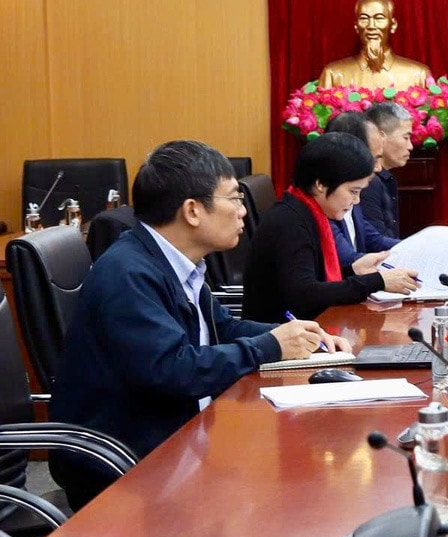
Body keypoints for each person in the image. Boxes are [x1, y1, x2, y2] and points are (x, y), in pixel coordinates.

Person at [48, 141, 335, 509]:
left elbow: (221, 329)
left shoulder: (175, 261)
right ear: (193, 211)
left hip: (183, 439)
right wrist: (271, 346)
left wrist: (298, 336)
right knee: (288, 494)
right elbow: (172, 370)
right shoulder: (128, 273)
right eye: (234, 199)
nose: (243, 211)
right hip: (132, 464)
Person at [242, 133, 420, 322]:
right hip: (279, 335)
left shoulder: (307, 211)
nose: (356, 201)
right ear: (321, 184)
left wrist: (353, 270)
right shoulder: (290, 223)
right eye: (353, 191)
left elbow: (315, 279)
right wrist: (377, 282)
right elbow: (304, 295)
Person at [316, 0, 437, 90]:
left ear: (393, 25)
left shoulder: (418, 75)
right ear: (356, 26)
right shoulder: (333, 74)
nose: (371, 26)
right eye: (364, 18)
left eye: (379, 18)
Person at [322, 110, 400, 260]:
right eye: (374, 159)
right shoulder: (328, 201)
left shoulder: (354, 190)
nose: (378, 168)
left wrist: (414, 247)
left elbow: (374, 240)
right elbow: (348, 261)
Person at [359, 100, 413, 245]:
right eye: (406, 138)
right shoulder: (369, 182)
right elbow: (374, 243)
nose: (410, 146)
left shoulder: (385, 178)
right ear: (381, 136)